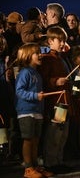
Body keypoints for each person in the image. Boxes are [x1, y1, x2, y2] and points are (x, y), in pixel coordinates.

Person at [37, 26, 72, 174]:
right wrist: (55, 81)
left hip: (65, 101)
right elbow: (42, 80)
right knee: (54, 134)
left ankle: (58, 160)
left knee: (63, 134)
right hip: (56, 102)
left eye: (64, 40)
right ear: (50, 41)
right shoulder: (46, 59)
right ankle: (51, 163)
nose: (63, 43)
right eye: (60, 40)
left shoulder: (62, 58)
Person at [15, 43, 53, 178]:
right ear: (27, 56)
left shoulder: (36, 72)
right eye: (37, 53)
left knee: (36, 140)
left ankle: (35, 166)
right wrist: (35, 96)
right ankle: (28, 167)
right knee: (28, 139)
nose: (40, 55)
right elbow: (19, 91)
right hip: (26, 111)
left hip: (37, 111)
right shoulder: (25, 73)